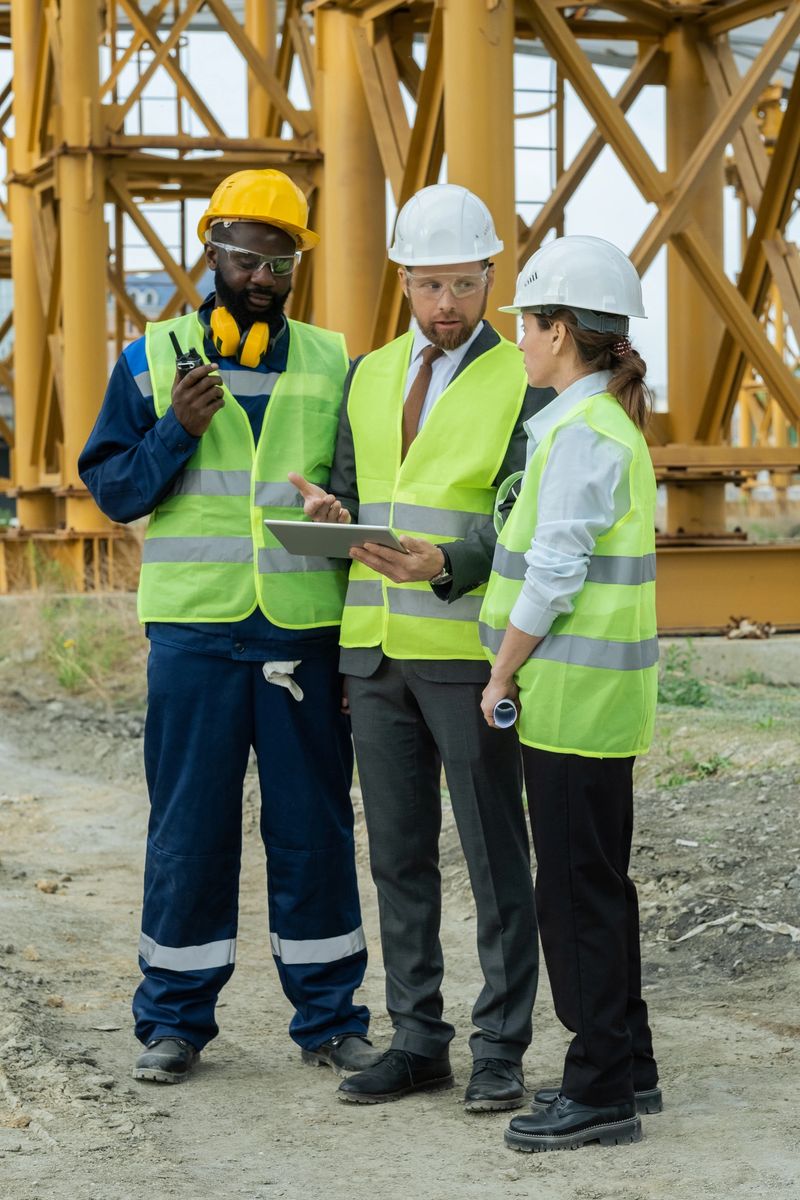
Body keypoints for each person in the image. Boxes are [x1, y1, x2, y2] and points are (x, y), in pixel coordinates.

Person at [79, 169, 380, 1084]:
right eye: (246, 256)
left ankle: (330, 1019)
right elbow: (114, 490)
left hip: (302, 634)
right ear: (212, 251)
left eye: (280, 260)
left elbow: (363, 495)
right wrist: (174, 430)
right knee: (188, 834)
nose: (262, 274)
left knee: (314, 833)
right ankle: (173, 1024)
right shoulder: (152, 356)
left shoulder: (334, 362)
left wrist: (344, 517)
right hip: (195, 638)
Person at [292, 184, 550, 1111]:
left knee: (492, 856)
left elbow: (525, 513)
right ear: (403, 281)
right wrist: (330, 512)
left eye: (466, 285)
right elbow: (358, 494)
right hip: (373, 652)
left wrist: (453, 558)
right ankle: (417, 1039)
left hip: (467, 653)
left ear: (492, 278)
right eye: (431, 285)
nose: (448, 305)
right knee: (397, 856)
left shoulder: (524, 377)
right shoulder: (367, 374)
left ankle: (501, 1048)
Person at [478, 235, 661, 1152]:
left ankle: (598, 1092)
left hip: (572, 704)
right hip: (593, 704)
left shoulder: (584, 436)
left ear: (560, 332)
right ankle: (629, 1063)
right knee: (598, 885)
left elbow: (552, 577)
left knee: (575, 896)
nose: (516, 336)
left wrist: (503, 670)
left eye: (525, 321)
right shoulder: (590, 427)